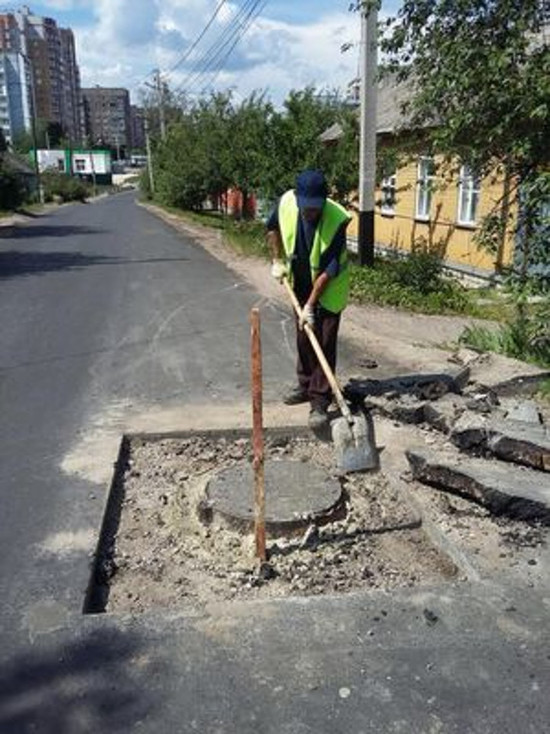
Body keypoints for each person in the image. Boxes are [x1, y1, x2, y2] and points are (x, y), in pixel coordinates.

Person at [266, 169, 352, 431]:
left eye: (316, 208)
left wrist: (311, 304)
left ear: (325, 201)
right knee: (304, 337)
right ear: (298, 197)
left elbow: (329, 269)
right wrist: (277, 260)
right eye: (307, 207)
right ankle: (305, 386)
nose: (310, 213)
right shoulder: (287, 203)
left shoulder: (337, 219)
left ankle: (320, 400)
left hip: (329, 286)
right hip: (300, 281)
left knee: (323, 341)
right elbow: (272, 229)